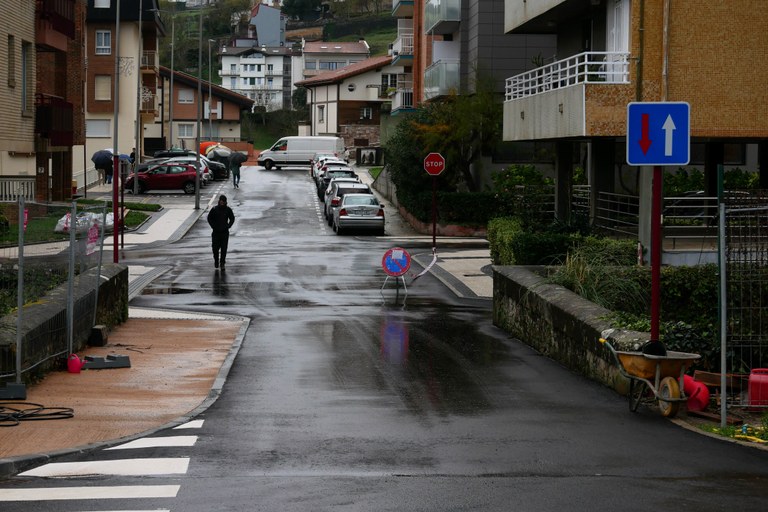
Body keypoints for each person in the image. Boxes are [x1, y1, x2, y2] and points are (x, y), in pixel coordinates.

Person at [207, 194, 235, 271]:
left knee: (224, 249)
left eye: (223, 202)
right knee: (215, 248)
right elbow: (209, 218)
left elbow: (232, 218)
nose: (222, 203)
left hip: (224, 233)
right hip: (216, 232)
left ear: (225, 202)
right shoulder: (214, 209)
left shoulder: (228, 210)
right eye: (221, 201)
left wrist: (228, 226)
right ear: (219, 201)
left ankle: (222, 263)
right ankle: (216, 260)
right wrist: (213, 226)